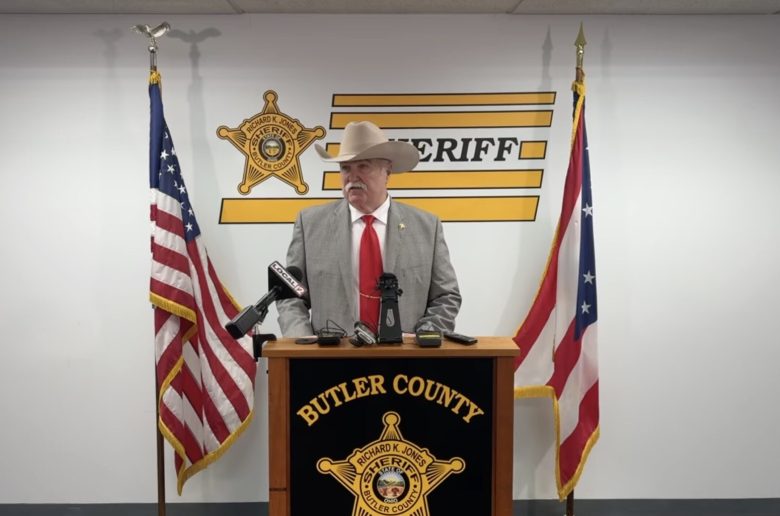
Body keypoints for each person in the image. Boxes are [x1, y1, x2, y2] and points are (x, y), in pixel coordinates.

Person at [276, 121, 461, 337]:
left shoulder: (427, 227)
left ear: (387, 171)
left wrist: (423, 341)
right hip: (330, 356)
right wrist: (304, 344)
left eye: (363, 166)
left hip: (405, 355)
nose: (352, 177)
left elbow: (446, 296)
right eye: (345, 168)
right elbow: (290, 297)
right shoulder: (310, 224)